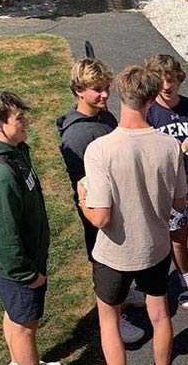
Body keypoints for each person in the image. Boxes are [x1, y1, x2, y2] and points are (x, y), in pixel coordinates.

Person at [80, 66, 188, 365]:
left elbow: (100, 218)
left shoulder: (100, 150)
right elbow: (179, 204)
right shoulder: (170, 146)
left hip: (113, 253)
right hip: (155, 248)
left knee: (109, 321)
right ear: (152, 96)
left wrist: (82, 198)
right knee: (160, 316)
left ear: (120, 94)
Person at [0, 91, 82, 365]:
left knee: (15, 315)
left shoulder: (14, 152)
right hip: (18, 268)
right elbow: (3, 236)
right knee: (24, 324)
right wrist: (27, 274)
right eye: (19, 118)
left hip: (26, 262)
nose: (26, 122)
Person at [56, 57, 144, 344]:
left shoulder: (103, 116)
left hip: (118, 203)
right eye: (97, 89)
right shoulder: (78, 134)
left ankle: (124, 295)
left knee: (121, 257)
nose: (105, 94)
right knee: (105, 264)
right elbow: (84, 183)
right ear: (79, 90)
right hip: (98, 210)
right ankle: (115, 319)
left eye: (106, 87)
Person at [146, 54, 188, 310]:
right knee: (178, 237)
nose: (167, 85)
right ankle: (186, 281)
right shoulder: (149, 112)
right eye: (162, 80)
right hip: (169, 189)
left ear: (179, 80)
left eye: (172, 79)